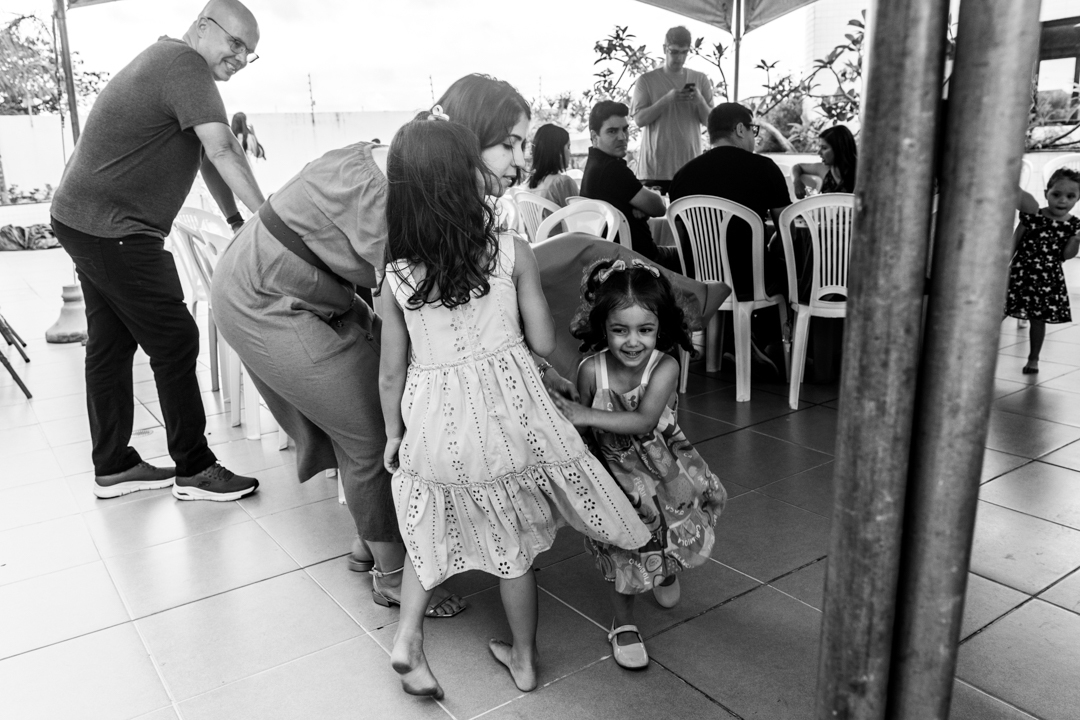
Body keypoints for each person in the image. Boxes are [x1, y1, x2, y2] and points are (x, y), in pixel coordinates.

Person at [211, 74, 576, 622]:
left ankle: (370, 538)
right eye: (509, 143)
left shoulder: (415, 174)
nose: (520, 159)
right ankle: (391, 575)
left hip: (317, 291)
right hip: (266, 296)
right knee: (367, 426)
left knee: (372, 409)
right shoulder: (397, 200)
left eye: (523, 143)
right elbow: (436, 326)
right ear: (464, 142)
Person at [379, 119, 651, 699]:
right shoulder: (511, 251)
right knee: (511, 551)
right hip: (506, 420)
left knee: (425, 534)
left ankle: (408, 641)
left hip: (432, 421)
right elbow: (545, 342)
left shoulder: (396, 276)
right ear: (465, 176)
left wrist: (390, 433)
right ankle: (524, 659)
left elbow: (389, 371)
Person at [50, 0, 265, 501]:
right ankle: (195, 467)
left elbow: (209, 155)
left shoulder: (174, 64)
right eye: (235, 43)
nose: (240, 56)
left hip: (83, 218)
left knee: (110, 343)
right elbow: (224, 149)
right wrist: (271, 217)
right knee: (174, 341)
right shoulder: (185, 66)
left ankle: (114, 465)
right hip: (112, 227)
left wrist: (236, 217)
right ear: (203, 26)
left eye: (249, 53)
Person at [551, 257, 726, 669]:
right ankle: (624, 623)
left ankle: (664, 570)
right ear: (602, 328)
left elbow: (644, 420)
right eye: (620, 330)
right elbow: (584, 435)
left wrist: (584, 416)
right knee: (622, 552)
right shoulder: (590, 370)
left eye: (645, 330)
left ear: (660, 328)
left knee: (666, 535)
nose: (633, 342)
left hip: (664, 476)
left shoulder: (664, 365)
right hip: (616, 482)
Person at [581, 101, 678, 270]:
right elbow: (659, 208)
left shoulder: (594, 164)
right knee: (697, 253)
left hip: (616, 259)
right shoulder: (612, 169)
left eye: (624, 129)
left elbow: (645, 205)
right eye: (612, 131)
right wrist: (645, 206)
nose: (622, 137)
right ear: (595, 136)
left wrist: (641, 207)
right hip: (640, 265)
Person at [1004, 169, 1080, 374]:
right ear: (1047, 192)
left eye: (1070, 196)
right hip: (1019, 274)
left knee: (1038, 320)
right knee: (999, 311)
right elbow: (1016, 239)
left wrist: (1075, 240)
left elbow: (1066, 255)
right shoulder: (1033, 216)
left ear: (1078, 198)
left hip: (1047, 280)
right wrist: (1004, 266)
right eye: (1056, 194)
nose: (1062, 200)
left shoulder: (1073, 226)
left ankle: (1033, 358)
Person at [631, 26, 713, 194]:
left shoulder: (701, 79)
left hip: (690, 168)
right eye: (674, 52)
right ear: (664, 49)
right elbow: (639, 120)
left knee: (690, 220)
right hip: (654, 169)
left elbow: (711, 124)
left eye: (684, 52)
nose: (679, 58)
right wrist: (667, 100)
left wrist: (699, 101)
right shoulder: (646, 81)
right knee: (654, 219)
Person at [792, 124, 857, 197]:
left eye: (824, 148)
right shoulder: (824, 169)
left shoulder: (859, 174)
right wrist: (797, 181)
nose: (819, 152)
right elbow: (797, 166)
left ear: (839, 149)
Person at [526, 123, 578, 207]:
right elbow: (577, 217)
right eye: (568, 147)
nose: (570, 152)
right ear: (558, 151)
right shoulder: (563, 183)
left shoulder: (528, 185)